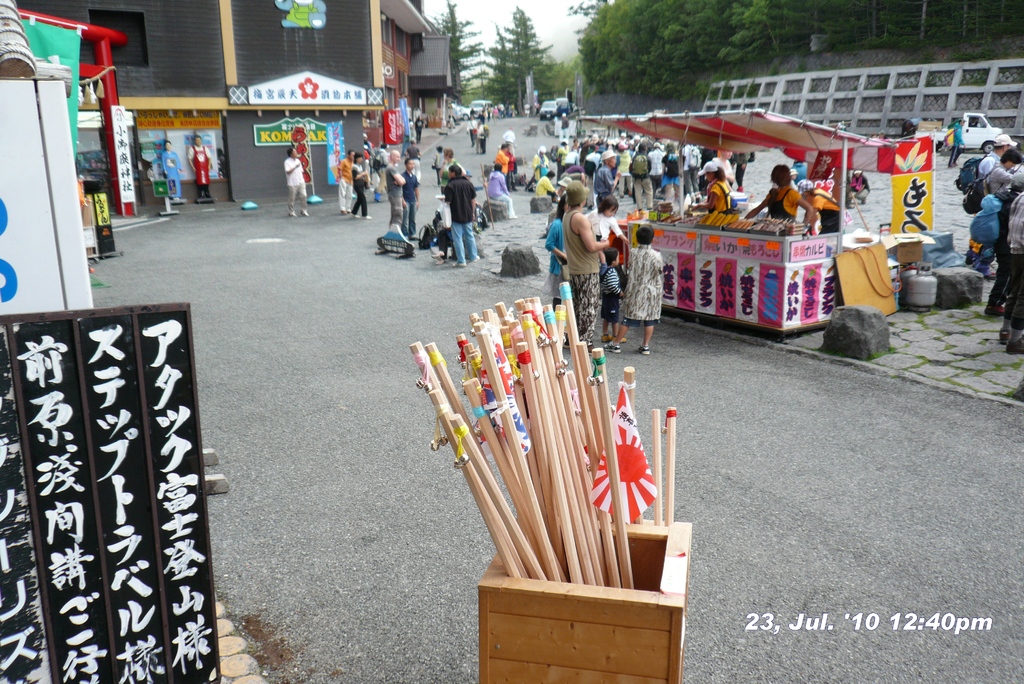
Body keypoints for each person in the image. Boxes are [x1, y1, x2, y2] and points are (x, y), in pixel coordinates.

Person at [563, 180, 612, 345]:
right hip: (586, 268)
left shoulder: (566, 216)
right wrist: (605, 243)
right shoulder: (580, 219)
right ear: (582, 199)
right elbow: (591, 246)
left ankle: (574, 338)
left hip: (574, 267)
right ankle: (584, 341)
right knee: (589, 307)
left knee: (578, 306)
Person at [610, 224, 663, 355]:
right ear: (652, 239)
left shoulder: (633, 252)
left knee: (628, 318)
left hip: (635, 290)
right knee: (649, 319)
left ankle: (616, 344)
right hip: (651, 291)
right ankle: (645, 346)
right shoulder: (656, 255)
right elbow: (660, 270)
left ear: (637, 238)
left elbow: (630, 267)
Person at [987, 173, 1024, 317]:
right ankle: (994, 303)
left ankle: (1003, 302)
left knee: (1006, 274)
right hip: (1009, 244)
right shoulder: (1017, 201)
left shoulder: (1003, 197)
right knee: (1006, 275)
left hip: (1001, 240)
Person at [744, 164, 818, 226]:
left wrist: (802, 227)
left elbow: (757, 210)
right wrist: (804, 225)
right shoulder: (773, 193)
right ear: (788, 178)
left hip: (785, 231)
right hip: (776, 230)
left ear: (773, 179)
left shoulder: (790, 194)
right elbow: (810, 209)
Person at [1002, 177, 1024, 353]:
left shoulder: (1019, 197)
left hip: (1015, 249)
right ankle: (1015, 342)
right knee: (1023, 296)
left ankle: (1006, 331)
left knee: (1014, 291)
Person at [442, 165, 479, 267]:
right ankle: (473, 256)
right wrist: (473, 212)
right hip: (467, 213)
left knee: (457, 238)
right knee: (469, 235)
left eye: (449, 172)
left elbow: (448, 202)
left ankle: (461, 260)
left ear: (453, 173)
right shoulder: (468, 183)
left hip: (456, 213)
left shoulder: (450, 185)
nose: (449, 174)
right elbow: (473, 200)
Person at [543, 195, 568, 306]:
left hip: (569, 264)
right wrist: (563, 255)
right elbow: (549, 244)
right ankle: (557, 322)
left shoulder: (569, 221)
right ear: (563, 206)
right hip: (560, 264)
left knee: (567, 295)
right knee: (558, 296)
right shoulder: (557, 224)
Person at [600, 248, 624, 343]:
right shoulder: (612, 272)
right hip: (611, 298)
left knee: (606, 317)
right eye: (618, 258)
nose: (618, 260)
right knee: (615, 319)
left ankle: (605, 335)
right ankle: (615, 336)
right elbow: (612, 285)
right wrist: (619, 292)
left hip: (605, 296)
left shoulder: (604, 270)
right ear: (613, 261)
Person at [385, 150, 406, 230]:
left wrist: (402, 181)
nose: (399, 159)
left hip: (396, 194)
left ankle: (391, 232)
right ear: (392, 157)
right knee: (398, 214)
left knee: (395, 214)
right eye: (397, 157)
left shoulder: (392, 168)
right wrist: (402, 181)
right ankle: (395, 233)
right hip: (395, 194)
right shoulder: (391, 168)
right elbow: (401, 182)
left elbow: (402, 181)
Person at [284, 147, 308, 217]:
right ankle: (291, 211)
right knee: (292, 198)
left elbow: (301, 171)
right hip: (292, 183)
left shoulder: (298, 161)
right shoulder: (287, 162)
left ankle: (304, 210)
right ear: (291, 154)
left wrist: (302, 179)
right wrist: (294, 167)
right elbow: (288, 172)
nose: (296, 153)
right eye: (295, 152)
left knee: (304, 195)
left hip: (300, 181)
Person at [401, 157, 420, 239]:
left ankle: (412, 233)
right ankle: (404, 234)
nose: (412, 166)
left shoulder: (414, 177)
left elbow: (416, 189)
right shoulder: (402, 176)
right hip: (405, 200)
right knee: (405, 219)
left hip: (413, 200)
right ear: (406, 165)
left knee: (412, 218)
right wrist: (402, 200)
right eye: (410, 164)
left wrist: (418, 201)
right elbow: (399, 190)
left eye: (413, 164)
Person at [631, 144, 653, 210]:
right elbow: (650, 167)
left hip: (636, 177)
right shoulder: (647, 157)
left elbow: (632, 166)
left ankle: (639, 207)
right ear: (645, 149)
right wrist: (647, 173)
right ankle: (649, 206)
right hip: (646, 177)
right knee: (649, 191)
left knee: (637, 192)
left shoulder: (635, 156)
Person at [350, 152, 370, 219]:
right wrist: (363, 173)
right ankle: (365, 214)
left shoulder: (360, 166)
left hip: (361, 183)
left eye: (361, 158)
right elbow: (355, 177)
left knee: (359, 199)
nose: (361, 159)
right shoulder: (354, 167)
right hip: (357, 184)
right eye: (359, 158)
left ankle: (353, 212)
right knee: (363, 198)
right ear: (356, 158)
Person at [334, 149, 354, 215]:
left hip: (350, 180)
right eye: (352, 155)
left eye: (354, 155)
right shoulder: (344, 161)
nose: (353, 156)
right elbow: (340, 169)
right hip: (344, 179)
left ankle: (348, 208)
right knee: (342, 194)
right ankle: (342, 209)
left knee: (350, 195)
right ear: (348, 155)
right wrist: (341, 177)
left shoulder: (353, 162)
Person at [663, 144, 682, 209]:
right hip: (676, 175)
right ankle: (680, 206)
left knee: (668, 191)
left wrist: (662, 176)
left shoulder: (665, 157)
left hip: (667, 176)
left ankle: (668, 206)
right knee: (678, 190)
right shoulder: (677, 157)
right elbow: (680, 166)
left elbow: (663, 168)